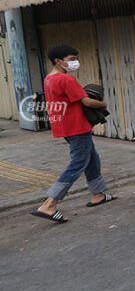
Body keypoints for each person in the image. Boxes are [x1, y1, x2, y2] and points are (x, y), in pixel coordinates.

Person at [31, 45, 114, 223]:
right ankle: (49, 204)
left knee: (92, 158)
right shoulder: (66, 80)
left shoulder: (49, 78)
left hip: (65, 126)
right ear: (58, 61)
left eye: (76, 58)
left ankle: (98, 195)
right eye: (71, 59)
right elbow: (87, 102)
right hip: (76, 126)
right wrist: (103, 104)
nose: (75, 62)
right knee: (78, 163)